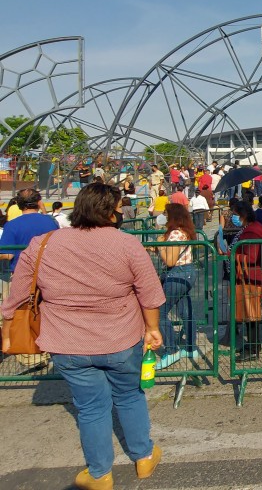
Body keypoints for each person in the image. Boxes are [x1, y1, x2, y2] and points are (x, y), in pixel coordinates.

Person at [0, 183, 165, 489]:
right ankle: (143, 457)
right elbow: (150, 294)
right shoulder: (127, 244)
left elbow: (17, 296)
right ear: (111, 213)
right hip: (120, 338)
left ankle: (100, 473)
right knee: (129, 396)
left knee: (90, 408)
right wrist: (153, 329)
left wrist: (7, 331)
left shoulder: (43, 244)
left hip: (66, 342)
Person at [155, 204, 199, 369]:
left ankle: (172, 350)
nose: (163, 217)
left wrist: (160, 245)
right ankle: (190, 347)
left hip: (177, 274)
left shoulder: (174, 234)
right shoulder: (184, 232)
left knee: (159, 312)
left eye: (166, 214)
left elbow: (170, 260)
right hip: (187, 273)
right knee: (185, 311)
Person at [230, 202, 262, 361]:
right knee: (250, 314)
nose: (233, 217)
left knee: (251, 314)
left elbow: (252, 257)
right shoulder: (255, 228)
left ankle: (253, 349)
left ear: (243, 215)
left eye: (235, 214)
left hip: (251, 277)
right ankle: (254, 345)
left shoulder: (252, 232)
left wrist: (232, 254)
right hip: (251, 276)